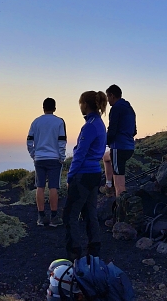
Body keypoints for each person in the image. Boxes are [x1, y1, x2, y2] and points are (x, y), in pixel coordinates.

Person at [64, 91, 108, 259]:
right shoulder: (99, 123)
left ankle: (74, 254)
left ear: (86, 104)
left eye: (80, 103)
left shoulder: (89, 126)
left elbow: (80, 154)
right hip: (95, 174)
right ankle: (94, 250)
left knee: (70, 215)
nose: (79, 106)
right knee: (90, 213)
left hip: (82, 175)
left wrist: (70, 176)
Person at [27, 97, 67, 227]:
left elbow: (29, 140)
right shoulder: (59, 122)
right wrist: (61, 157)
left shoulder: (36, 122)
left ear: (43, 108)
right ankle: (54, 217)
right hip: (54, 158)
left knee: (40, 187)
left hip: (39, 158)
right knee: (53, 187)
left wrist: (34, 154)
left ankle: (41, 216)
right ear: (54, 108)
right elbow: (62, 141)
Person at [103, 85, 136, 197]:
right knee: (106, 157)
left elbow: (112, 130)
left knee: (120, 185)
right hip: (129, 147)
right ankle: (108, 185)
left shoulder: (116, 108)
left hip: (119, 148)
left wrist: (104, 142)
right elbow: (134, 131)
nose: (108, 100)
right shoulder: (129, 108)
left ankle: (121, 211)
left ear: (112, 95)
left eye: (108, 97)